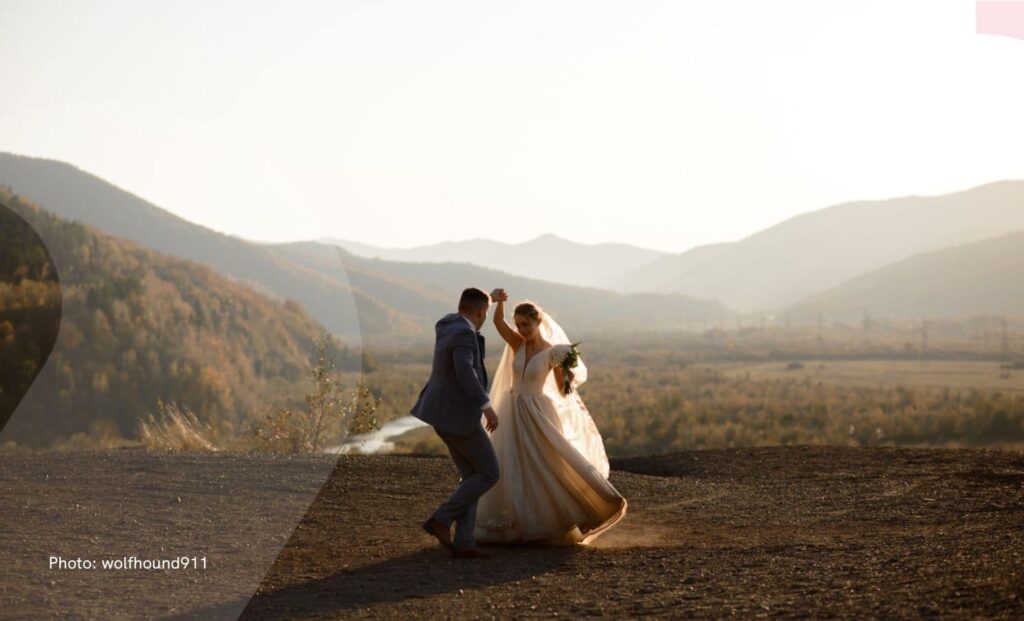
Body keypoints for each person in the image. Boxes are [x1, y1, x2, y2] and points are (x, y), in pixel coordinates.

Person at [474, 289, 627, 545]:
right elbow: (497, 323)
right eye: (519, 324)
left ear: (539, 322)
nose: (522, 329)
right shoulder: (517, 344)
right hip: (511, 408)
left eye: (527, 324)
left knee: (551, 462)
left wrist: (566, 374)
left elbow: (562, 389)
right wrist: (496, 301)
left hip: (538, 410)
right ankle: (517, 523)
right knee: (512, 463)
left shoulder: (553, 352)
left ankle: (592, 506)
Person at [410, 287, 500, 558]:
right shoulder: (463, 333)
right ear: (481, 312)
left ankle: (464, 541)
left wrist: (489, 299)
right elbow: (465, 372)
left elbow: (471, 308)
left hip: (440, 413)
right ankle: (441, 518)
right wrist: (486, 406)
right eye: (485, 312)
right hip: (459, 415)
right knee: (489, 473)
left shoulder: (448, 323)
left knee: (471, 476)